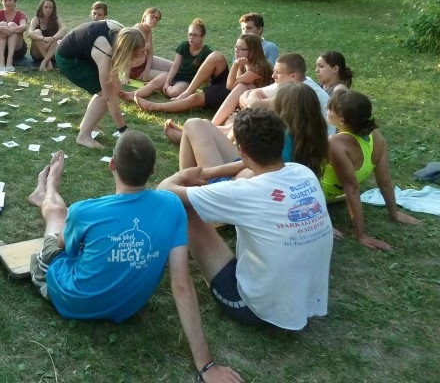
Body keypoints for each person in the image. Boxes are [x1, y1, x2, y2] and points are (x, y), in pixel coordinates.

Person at [26, 136, 241, 383]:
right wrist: (206, 365)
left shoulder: (84, 210)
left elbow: (64, 247)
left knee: (57, 214)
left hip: (71, 299)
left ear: (112, 165)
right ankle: (47, 191)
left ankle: (48, 188)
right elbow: (182, 284)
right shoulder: (172, 205)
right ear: (153, 170)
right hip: (126, 308)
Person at [158, 108, 334, 331]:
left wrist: (184, 176)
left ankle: (167, 252)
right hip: (304, 299)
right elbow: (244, 166)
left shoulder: (244, 192)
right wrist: (208, 173)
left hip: (254, 308)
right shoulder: (302, 172)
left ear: (242, 151)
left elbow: (165, 191)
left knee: (182, 206)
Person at [170, 82, 328, 182]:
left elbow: (251, 164)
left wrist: (207, 173)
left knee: (192, 124)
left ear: (284, 107)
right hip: (247, 172)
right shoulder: (316, 135)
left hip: (237, 186)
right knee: (202, 124)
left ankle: (185, 186)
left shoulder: (281, 135)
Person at [321, 90, 420, 250]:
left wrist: (361, 235)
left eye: (330, 108)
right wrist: (394, 213)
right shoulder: (376, 136)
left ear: (342, 120)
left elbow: (352, 189)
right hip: (337, 196)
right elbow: (385, 181)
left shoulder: (335, 143)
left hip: (317, 199)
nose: (327, 109)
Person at [133, 34, 271, 118]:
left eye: (241, 49)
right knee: (216, 56)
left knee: (195, 98)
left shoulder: (257, 68)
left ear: (252, 51)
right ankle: (187, 91)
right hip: (234, 87)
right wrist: (239, 66)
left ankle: (153, 106)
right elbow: (234, 81)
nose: (236, 51)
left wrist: (235, 65)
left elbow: (231, 86)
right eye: (236, 47)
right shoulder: (246, 62)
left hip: (236, 96)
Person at [55, 20, 144, 149]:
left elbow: (114, 68)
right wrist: (124, 131)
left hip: (84, 54)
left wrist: (118, 87)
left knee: (111, 90)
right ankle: (83, 136)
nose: (135, 58)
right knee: (105, 94)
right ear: (126, 49)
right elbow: (109, 98)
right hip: (68, 60)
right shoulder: (104, 51)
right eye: (134, 55)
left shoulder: (122, 33)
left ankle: (88, 125)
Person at [240, 53, 332, 132]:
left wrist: (250, 103)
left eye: (278, 72)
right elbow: (249, 93)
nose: (273, 76)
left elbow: (253, 105)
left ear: (293, 76)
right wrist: (250, 103)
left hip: (317, 142)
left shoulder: (300, 92)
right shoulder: (295, 81)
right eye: (274, 71)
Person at [126, 18, 212, 102]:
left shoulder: (206, 52)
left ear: (202, 37)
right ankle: (132, 95)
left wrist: (207, 89)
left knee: (172, 92)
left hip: (186, 81)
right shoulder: (184, 46)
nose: (191, 37)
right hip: (175, 75)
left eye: (195, 35)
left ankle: (162, 88)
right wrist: (167, 82)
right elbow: (175, 66)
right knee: (153, 84)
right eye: (190, 34)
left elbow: (207, 74)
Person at [128, 7, 174, 82]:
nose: (155, 20)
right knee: (169, 76)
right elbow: (126, 54)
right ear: (144, 17)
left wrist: (147, 70)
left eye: (157, 18)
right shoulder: (135, 31)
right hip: (135, 69)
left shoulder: (148, 30)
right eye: (152, 16)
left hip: (145, 61)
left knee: (174, 67)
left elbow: (150, 53)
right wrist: (126, 76)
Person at [0, 0, 28, 75]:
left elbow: (24, 27)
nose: (7, 3)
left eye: (10, 0)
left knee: (12, 25)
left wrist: (11, 30)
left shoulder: (20, 15)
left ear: (14, 1)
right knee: (2, 24)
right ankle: (1, 61)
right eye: (5, 0)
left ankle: (9, 61)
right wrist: (2, 29)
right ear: (1, 1)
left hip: (17, 50)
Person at [28, 0, 67, 71]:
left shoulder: (57, 19)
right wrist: (43, 38)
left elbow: (64, 29)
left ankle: (45, 61)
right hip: (38, 53)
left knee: (59, 37)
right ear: (41, 7)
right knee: (37, 32)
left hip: (51, 50)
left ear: (53, 9)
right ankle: (48, 62)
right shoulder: (36, 19)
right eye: (46, 7)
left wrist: (53, 38)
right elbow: (30, 33)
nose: (48, 10)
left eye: (50, 8)